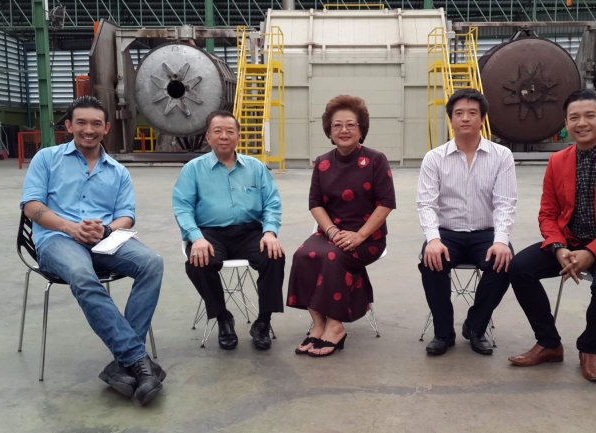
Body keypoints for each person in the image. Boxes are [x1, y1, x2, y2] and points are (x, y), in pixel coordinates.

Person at [19, 96, 165, 405]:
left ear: (106, 128)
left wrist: (107, 230)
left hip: (103, 240)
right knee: (82, 274)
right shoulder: (47, 159)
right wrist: (70, 228)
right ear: (69, 126)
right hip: (57, 239)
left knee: (152, 262)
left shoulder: (118, 172)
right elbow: (31, 206)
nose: (89, 130)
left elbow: (127, 216)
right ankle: (138, 361)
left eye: (96, 124)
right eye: (81, 123)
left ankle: (123, 366)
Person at [507, 89, 596, 382]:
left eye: (589, 116)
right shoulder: (558, 161)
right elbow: (548, 214)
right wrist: (558, 248)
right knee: (520, 268)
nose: (581, 123)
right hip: (570, 242)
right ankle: (549, 343)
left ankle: (590, 349)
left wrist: (593, 252)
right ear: (566, 123)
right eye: (574, 117)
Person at [287, 95, 396, 357]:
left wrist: (359, 235)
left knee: (333, 257)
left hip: (368, 236)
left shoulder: (375, 160)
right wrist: (332, 231)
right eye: (337, 125)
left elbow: (386, 204)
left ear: (361, 129)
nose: (344, 130)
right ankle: (318, 324)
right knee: (302, 255)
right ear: (329, 130)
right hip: (331, 232)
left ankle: (335, 326)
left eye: (350, 125)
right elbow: (315, 204)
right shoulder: (322, 163)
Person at [173, 110, 285, 351]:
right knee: (198, 263)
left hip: (250, 232)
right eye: (218, 131)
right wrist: (196, 237)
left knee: (274, 256)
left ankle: (263, 322)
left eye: (229, 131)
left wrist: (269, 232)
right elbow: (182, 207)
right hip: (210, 234)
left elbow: (272, 203)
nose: (224, 136)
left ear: (238, 136)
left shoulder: (256, 167)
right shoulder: (193, 169)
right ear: (208, 136)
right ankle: (223, 318)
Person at [417, 88, 517, 356]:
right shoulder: (434, 158)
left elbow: (505, 203)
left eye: (472, 113)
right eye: (459, 113)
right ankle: (443, 333)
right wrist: (433, 239)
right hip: (446, 233)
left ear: (482, 119)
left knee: (505, 262)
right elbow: (426, 204)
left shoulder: (501, 156)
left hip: (486, 233)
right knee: (430, 262)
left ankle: (475, 326)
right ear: (451, 119)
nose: (465, 118)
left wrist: (501, 241)